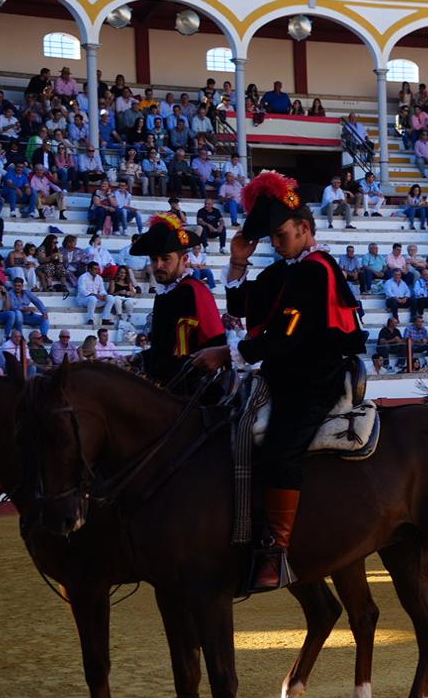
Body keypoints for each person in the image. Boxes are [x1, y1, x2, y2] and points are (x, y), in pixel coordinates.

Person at [191, 171, 367, 593]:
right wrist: (238, 259)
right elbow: (241, 305)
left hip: (313, 380)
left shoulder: (317, 269)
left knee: (280, 451)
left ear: (305, 229)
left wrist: (229, 354)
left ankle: (277, 549)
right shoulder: (285, 270)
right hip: (281, 375)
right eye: (272, 237)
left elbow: (291, 336)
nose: (276, 242)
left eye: (282, 234)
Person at [128, 213, 227, 387]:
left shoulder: (195, 290)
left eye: (166, 258)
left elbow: (216, 344)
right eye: (154, 259)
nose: (158, 265)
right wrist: (138, 358)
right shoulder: (163, 295)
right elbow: (163, 350)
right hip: (166, 386)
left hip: (194, 389)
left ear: (184, 259)